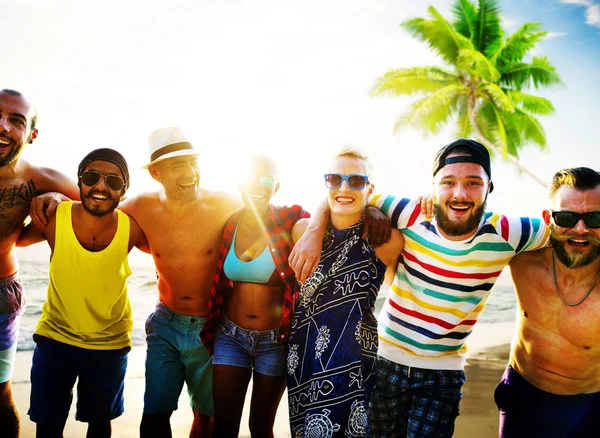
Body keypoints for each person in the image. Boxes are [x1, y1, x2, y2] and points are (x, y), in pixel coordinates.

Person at [289, 139, 550, 437]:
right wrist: (313, 229)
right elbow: (345, 192)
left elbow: (567, 227)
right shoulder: (408, 213)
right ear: (434, 186)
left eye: (473, 183)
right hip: (383, 362)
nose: (460, 193)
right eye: (448, 182)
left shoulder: (509, 232)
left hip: (442, 376)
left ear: (489, 187)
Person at [17, 149, 147, 437]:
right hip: (55, 339)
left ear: (123, 192)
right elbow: (13, 238)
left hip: (109, 344)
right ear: (79, 181)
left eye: (113, 181)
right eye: (92, 177)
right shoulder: (54, 217)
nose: (101, 186)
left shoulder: (132, 228)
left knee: (100, 424)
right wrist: (36, 201)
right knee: (47, 425)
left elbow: (171, 252)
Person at [286, 146, 404, 437]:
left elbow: (396, 286)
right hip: (302, 353)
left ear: (369, 187)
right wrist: (317, 223)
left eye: (356, 181)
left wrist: (373, 209)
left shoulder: (386, 240)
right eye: (334, 179)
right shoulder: (303, 231)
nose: (343, 187)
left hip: (352, 356)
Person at [199, 154, 310, 437]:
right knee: (223, 425)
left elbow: (321, 219)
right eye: (251, 179)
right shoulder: (229, 224)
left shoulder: (290, 219)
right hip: (229, 337)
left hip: (274, 341)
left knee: (260, 426)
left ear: (277, 186)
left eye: (266, 179)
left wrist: (371, 211)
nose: (257, 185)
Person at [495, 167, 600, 438]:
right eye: (566, 217)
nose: (580, 229)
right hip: (521, 394)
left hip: (587, 406)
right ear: (548, 218)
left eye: (594, 218)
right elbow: (461, 227)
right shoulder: (522, 257)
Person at [0, 88, 80, 438]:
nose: (2, 126)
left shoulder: (39, 178)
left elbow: (104, 207)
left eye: (15, 121)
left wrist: (57, 201)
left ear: (31, 134)